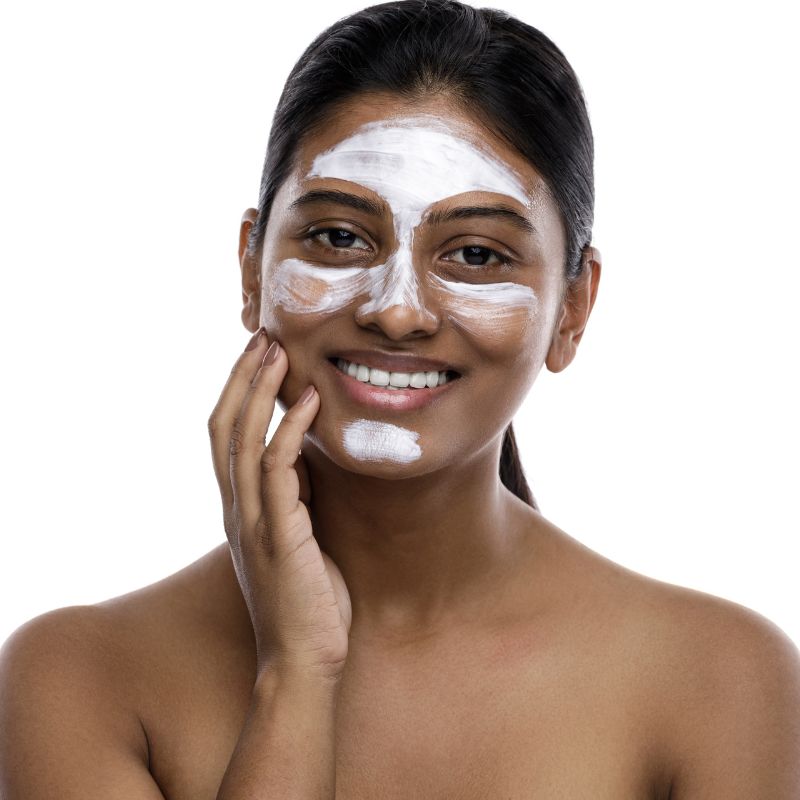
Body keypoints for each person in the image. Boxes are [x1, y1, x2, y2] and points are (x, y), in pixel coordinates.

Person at [1, 0, 799, 797]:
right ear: (251, 270)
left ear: (573, 308)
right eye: (341, 237)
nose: (397, 309)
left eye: (477, 252)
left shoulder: (721, 682)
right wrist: (296, 675)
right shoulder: (77, 679)